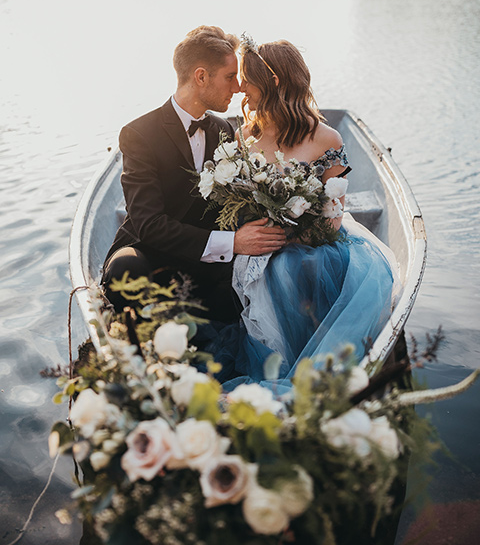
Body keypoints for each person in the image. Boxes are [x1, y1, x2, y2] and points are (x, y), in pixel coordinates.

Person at [206, 36, 399, 384]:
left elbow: (334, 212)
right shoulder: (245, 136)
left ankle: (311, 370)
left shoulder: (327, 138)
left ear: (274, 81)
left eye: (247, 78)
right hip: (264, 241)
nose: (240, 88)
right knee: (274, 265)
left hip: (318, 243)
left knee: (293, 268)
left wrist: (301, 234)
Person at [102, 26, 286, 324]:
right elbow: (148, 224)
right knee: (125, 271)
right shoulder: (139, 134)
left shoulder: (226, 131)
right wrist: (233, 243)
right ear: (200, 77)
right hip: (151, 252)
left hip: (208, 262)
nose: (238, 87)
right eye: (230, 77)